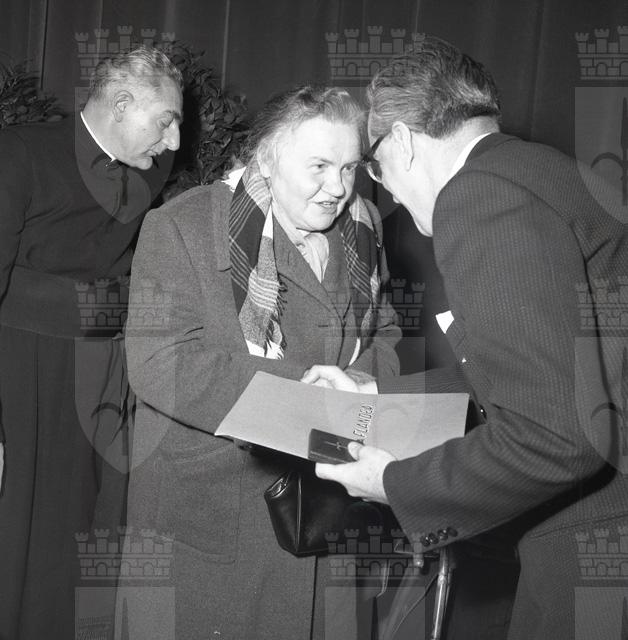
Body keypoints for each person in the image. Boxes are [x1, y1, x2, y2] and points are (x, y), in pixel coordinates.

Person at [303, 38, 628, 640]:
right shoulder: (549, 171)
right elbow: (539, 369)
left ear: (402, 141)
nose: (383, 190)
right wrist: (377, 393)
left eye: (374, 167)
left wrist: (394, 484)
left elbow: (560, 434)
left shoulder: (479, 195)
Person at [122, 85, 401, 639]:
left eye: (349, 167)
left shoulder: (364, 223)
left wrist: (362, 383)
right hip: (218, 513)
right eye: (319, 166)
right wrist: (308, 398)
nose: (338, 188)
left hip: (329, 508)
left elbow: (387, 331)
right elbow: (159, 362)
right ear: (266, 160)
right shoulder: (183, 225)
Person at [0, 45, 182, 640]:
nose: (176, 141)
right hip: (19, 370)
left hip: (106, 373)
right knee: (17, 525)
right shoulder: (19, 151)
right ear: (121, 103)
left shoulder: (150, 172)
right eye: (166, 121)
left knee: (84, 525)